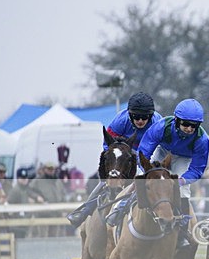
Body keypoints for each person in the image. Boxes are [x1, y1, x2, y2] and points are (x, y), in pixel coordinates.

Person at [107, 98, 209, 248]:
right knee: (143, 180)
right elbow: (144, 151)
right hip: (163, 151)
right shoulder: (161, 127)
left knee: (183, 190)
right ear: (176, 120)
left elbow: (197, 169)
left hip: (184, 159)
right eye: (185, 124)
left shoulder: (202, 140)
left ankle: (182, 233)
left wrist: (181, 181)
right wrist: (146, 171)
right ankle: (119, 208)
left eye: (193, 126)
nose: (189, 129)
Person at [66, 92, 161, 227]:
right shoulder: (120, 121)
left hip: (149, 153)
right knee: (109, 178)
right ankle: (84, 211)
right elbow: (108, 145)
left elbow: (162, 148)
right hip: (126, 153)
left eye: (144, 117)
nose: (140, 120)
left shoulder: (158, 123)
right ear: (130, 114)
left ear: (151, 116)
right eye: (136, 116)